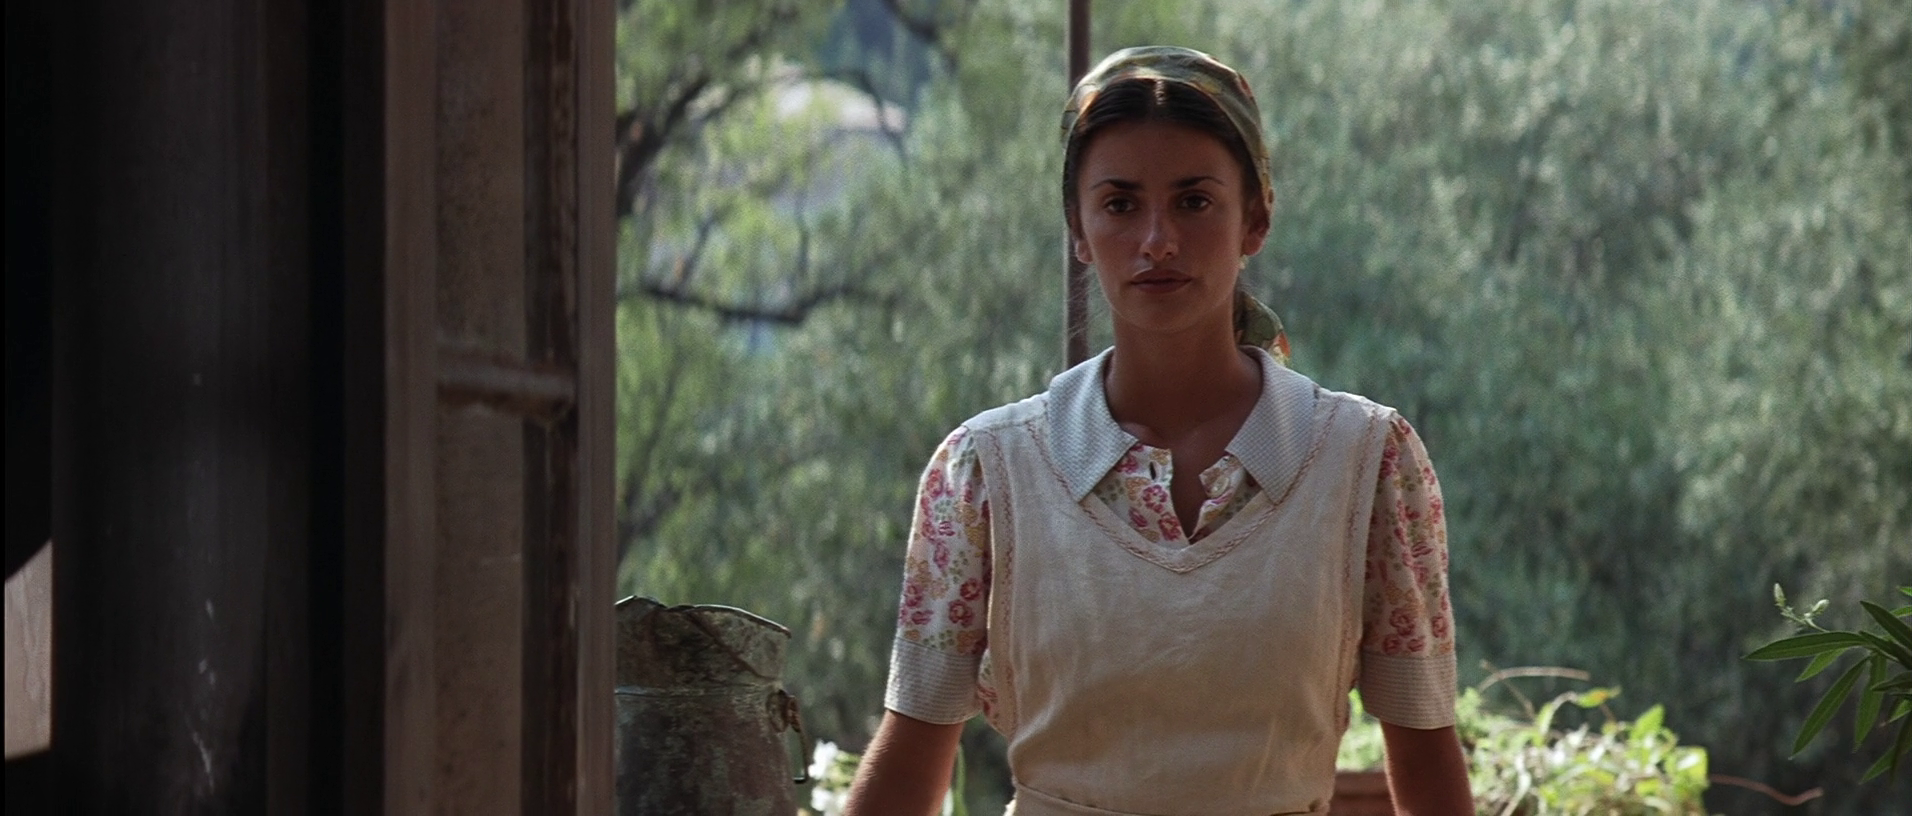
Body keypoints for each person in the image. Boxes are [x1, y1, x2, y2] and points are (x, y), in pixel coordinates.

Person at [844, 46, 1472, 816]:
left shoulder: (1363, 464)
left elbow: (1427, 765)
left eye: (1194, 201)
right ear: (1077, 229)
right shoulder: (988, 473)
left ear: (1257, 219)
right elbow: (911, 762)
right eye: (1119, 205)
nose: (1157, 241)